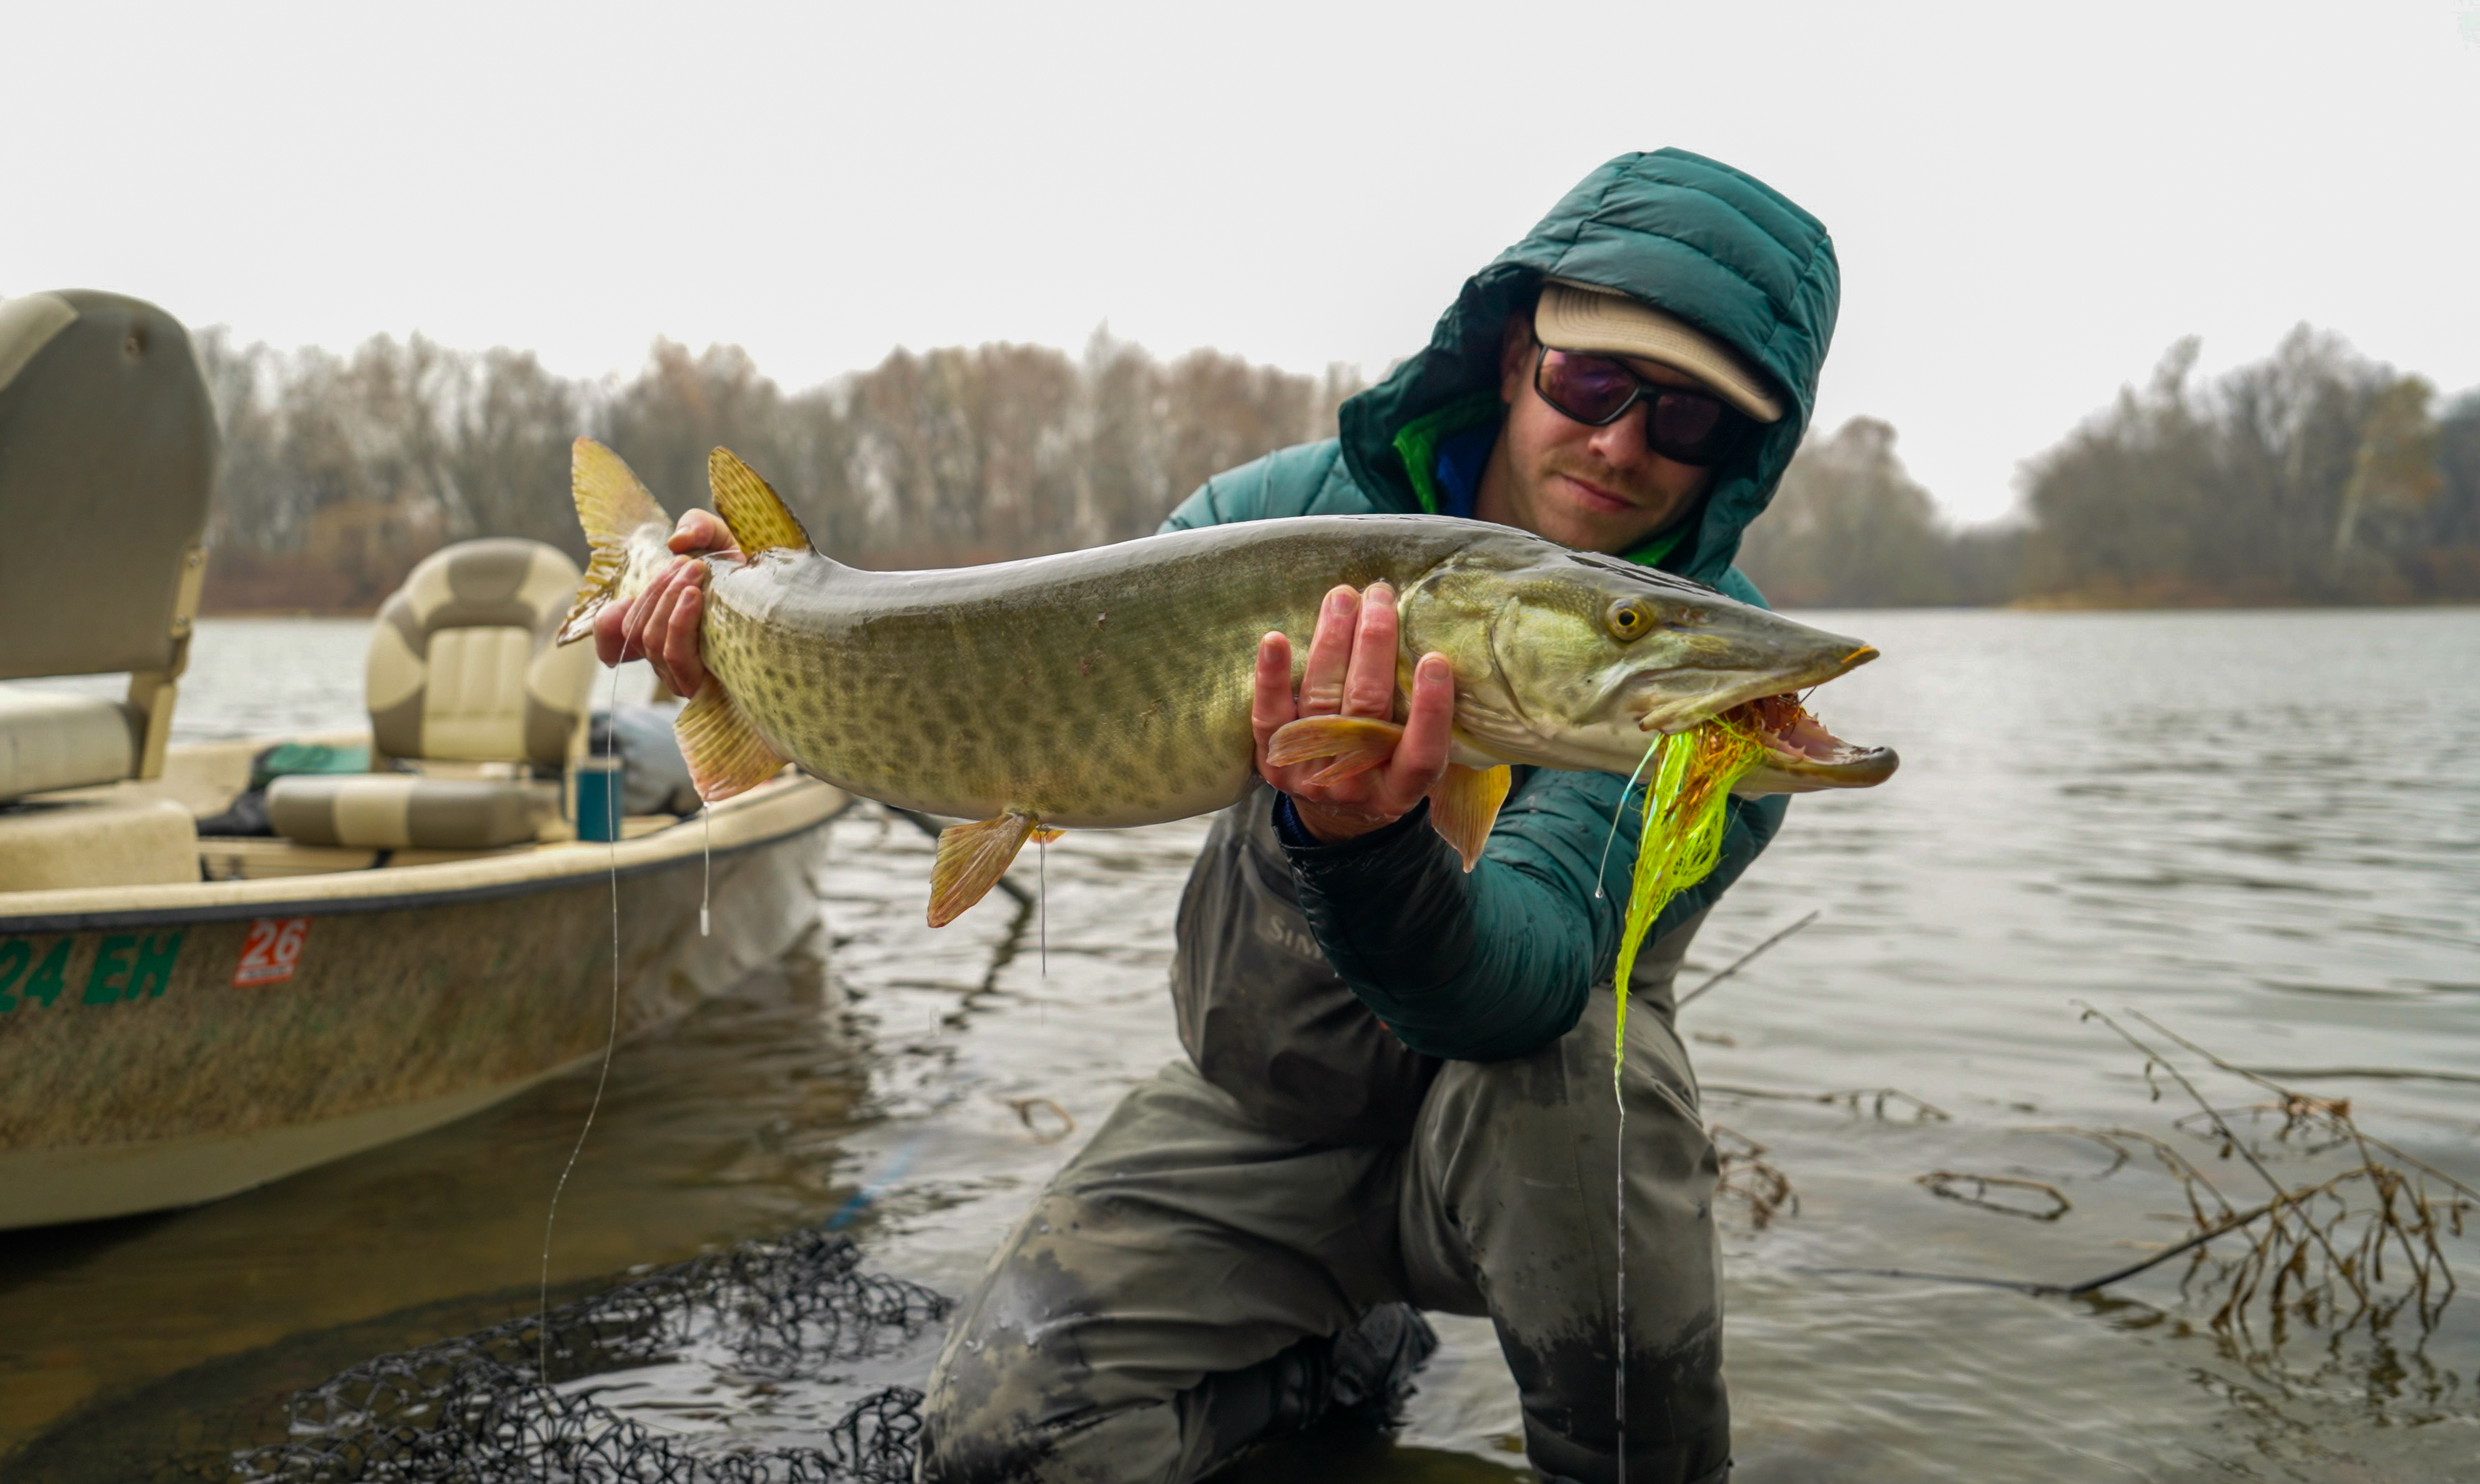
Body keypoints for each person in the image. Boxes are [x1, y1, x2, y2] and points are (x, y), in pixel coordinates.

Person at [598, 147, 1838, 1484]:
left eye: (1688, 420)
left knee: (1591, 1083)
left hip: (1523, 1148)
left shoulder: (1697, 690)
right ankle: (1320, 1362)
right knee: (999, 1442)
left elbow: (1517, 985)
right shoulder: (1271, 516)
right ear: (1511, 358)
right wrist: (752, 614)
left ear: (1743, 451)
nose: (1620, 442)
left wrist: (1370, 844)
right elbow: (992, 691)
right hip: (1265, 1115)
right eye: (1591, 383)